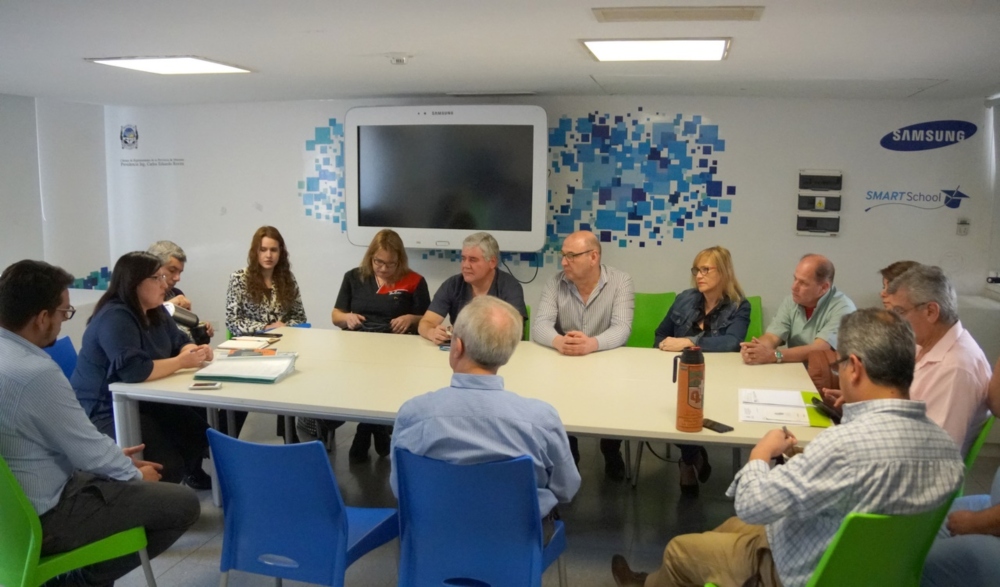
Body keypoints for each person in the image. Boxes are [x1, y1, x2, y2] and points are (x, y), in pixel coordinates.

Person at [611, 308, 964, 587]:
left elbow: (753, 505)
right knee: (732, 526)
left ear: (855, 368)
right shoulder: (947, 450)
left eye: (840, 364)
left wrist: (760, 454)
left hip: (802, 571)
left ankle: (653, 582)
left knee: (679, 549)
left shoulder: (843, 446)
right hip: (877, 569)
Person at [0, 260, 200, 586]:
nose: (63, 322)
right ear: (41, 318)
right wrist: (134, 474)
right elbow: (86, 448)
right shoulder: (34, 373)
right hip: (45, 516)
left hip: (13, 512)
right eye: (64, 313)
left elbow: (54, 439)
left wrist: (115, 461)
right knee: (183, 504)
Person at [392, 296, 580, 531]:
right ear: (508, 353)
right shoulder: (541, 419)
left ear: (457, 347)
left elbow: (399, 487)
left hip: (434, 535)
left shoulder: (414, 414)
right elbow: (566, 489)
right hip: (517, 539)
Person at [72, 252, 214, 488]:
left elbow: (179, 340)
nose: (164, 284)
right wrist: (182, 362)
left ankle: (178, 488)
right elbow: (134, 371)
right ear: (134, 283)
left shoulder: (155, 309)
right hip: (106, 408)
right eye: (157, 278)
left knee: (200, 435)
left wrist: (193, 351)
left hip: (145, 399)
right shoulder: (115, 316)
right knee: (167, 465)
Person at [532, 230, 635, 480]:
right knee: (559, 401)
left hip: (606, 361)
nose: (564, 262)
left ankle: (611, 449)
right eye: (563, 255)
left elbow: (622, 328)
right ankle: (569, 455)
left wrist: (592, 344)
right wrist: (559, 341)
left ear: (593, 257)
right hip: (566, 362)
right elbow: (540, 325)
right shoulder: (555, 283)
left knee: (614, 397)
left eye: (571, 256)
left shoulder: (620, 281)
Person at [326, 228, 431, 462]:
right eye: (378, 262)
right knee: (364, 381)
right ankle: (378, 431)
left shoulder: (414, 281)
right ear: (370, 257)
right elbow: (336, 315)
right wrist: (347, 318)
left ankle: (364, 431)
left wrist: (410, 318)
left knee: (382, 382)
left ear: (400, 261)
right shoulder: (354, 278)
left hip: (397, 350)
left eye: (390, 264)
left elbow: (429, 319)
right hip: (359, 346)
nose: (383, 268)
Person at [653, 245, 750, 496]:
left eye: (706, 269)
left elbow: (731, 343)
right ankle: (691, 457)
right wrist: (664, 348)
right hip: (678, 372)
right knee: (666, 409)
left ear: (724, 272)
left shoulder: (739, 306)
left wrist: (689, 342)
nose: (699, 275)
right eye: (696, 270)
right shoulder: (684, 298)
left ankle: (688, 460)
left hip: (720, 378)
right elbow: (661, 334)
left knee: (688, 407)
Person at [881, 265, 992, 454]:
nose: (894, 321)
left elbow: (936, 454)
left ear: (931, 311)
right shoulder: (924, 344)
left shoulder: (955, 368)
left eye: (899, 312)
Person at [741, 254, 855, 365]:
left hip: (829, 374)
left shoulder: (844, 308)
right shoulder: (791, 301)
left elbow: (819, 348)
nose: (793, 287)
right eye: (795, 279)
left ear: (824, 287)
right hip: (797, 369)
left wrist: (774, 355)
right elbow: (772, 336)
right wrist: (754, 349)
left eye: (803, 283)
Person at [418, 231, 526, 345]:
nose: (465, 265)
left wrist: (468, 334)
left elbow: (515, 330)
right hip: (461, 351)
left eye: (473, 260)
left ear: (492, 262)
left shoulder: (510, 287)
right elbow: (426, 322)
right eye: (463, 259)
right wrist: (432, 333)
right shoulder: (452, 285)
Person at [225, 225, 307, 337]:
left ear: (280, 252)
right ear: (255, 252)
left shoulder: (288, 278)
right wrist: (266, 328)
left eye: (273, 250)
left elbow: (300, 318)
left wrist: (285, 327)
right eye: (263, 250)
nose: (268, 255)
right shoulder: (239, 278)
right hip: (251, 342)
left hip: (283, 339)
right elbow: (232, 322)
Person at [147, 240, 215, 340]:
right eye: (172, 270)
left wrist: (198, 329)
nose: (177, 278)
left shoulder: (176, 294)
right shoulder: (137, 298)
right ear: (154, 268)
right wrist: (169, 307)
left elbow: (183, 337)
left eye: (180, 272)